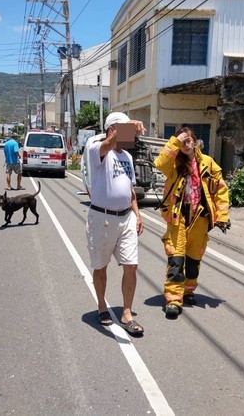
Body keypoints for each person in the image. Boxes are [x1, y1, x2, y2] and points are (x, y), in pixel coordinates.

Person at [154, 127, 231, 319]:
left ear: (195, 142)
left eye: (189, 140)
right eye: (183, 141)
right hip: (178, 217)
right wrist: (175, 141)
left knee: (194, 260)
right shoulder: (173, 164)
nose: (186, 144)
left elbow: (220, 190)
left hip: (200, 218)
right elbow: (159, 163)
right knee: (176, 259)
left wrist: (222, 216)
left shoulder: (208, 163)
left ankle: (188, 291)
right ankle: (173, 300)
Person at [86, 112, 146, 335]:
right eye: (124, 130)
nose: (130, 135)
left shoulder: (127, 158)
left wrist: (137, 215)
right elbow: (109, 144)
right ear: (112, 130)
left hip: (126, 217)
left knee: (131, 265)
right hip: (102, 218)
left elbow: (130, 190)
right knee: (100, 266)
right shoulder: (98, 150)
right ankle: (102, 305)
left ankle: (126, 313)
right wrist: (128, 126)